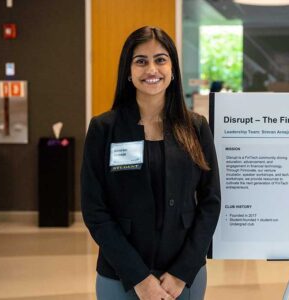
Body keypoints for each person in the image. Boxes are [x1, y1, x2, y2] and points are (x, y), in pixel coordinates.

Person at [81, 26, 221, 300]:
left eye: (160, 59)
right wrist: (140, 279)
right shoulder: (103, 129)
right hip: (120, 277)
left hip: (183, 278)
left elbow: (210, 201)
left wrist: (182, 272)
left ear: (172, 69)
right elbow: (94, 210)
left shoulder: (196, 128)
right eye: (141, 61)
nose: (151, 69)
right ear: (129, 71)